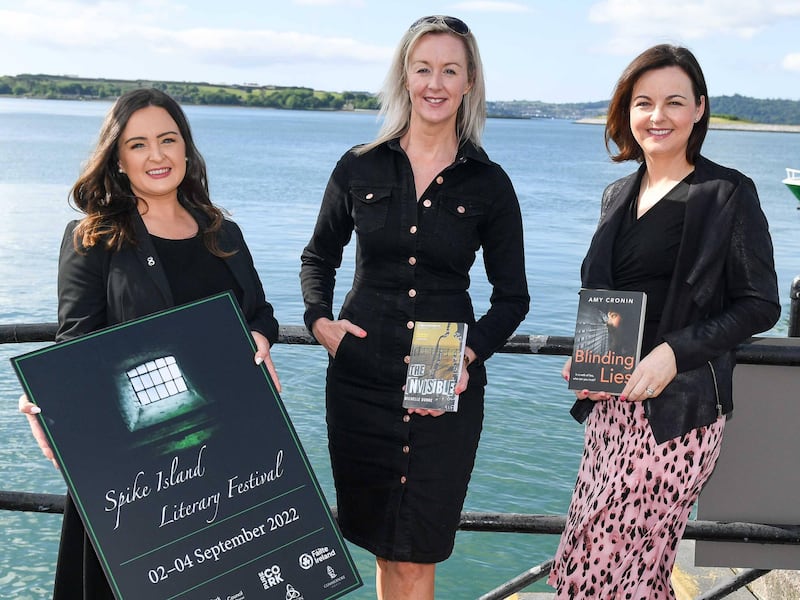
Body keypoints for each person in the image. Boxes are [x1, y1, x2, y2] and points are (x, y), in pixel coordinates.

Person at [18, 88, 281, 599]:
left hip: (228, 459)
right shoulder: (91, 239)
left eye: (168, 139)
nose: (157, 155)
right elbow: (76, 345)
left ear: (187, 148)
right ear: (117, 158)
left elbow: (261, 314)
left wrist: (260, 337)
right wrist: (46, 401)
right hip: (134, 471)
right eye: (138, 145)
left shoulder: (223, 233)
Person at [300, 15, 529, 600]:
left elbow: (513, 298)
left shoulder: (489, 183)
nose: (435, 82)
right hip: (361, 375)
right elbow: (317, 256)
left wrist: (468, 355)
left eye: (450, 70)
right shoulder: (360, 165)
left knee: (416, 548)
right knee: (383, 543)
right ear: (405, 75)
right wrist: (319, 320)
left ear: (469, 82)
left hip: (441, 370)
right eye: (423, 68)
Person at [548, 45, 780, 599]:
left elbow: (760, 303)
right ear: (626, 111)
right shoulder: (617, 195)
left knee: (604, 565)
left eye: (674, 102)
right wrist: (587, 356)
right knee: (616, 563)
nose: (658, 116)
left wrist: (674, 351)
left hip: (677, 417)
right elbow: (609, 300)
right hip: (610, 409)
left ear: (699, 109)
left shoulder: (726, 193)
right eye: (644, 102)